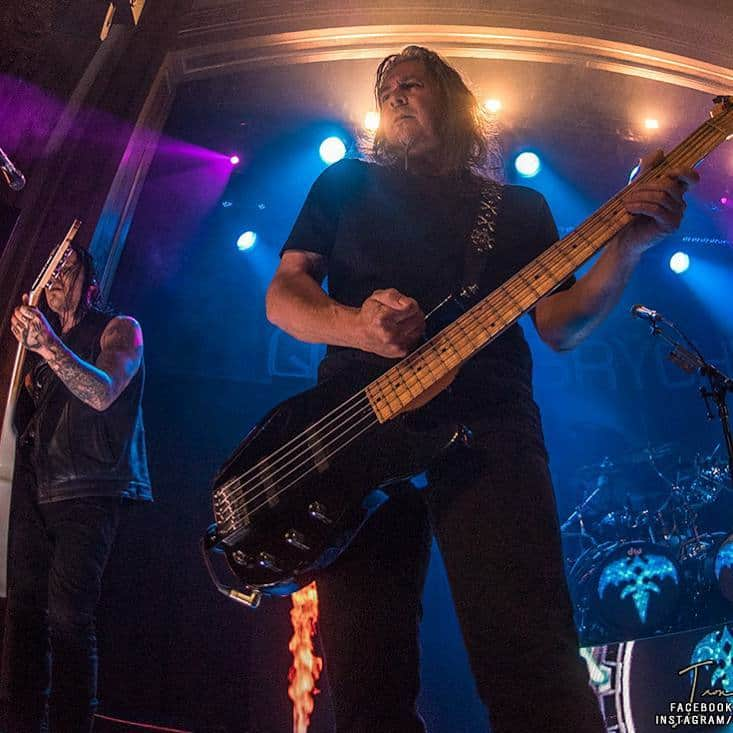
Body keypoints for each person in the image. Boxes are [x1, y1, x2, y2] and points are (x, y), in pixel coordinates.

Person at [265, 46, 698, 733]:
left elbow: (558, 324)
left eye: (411, 82)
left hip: (487, 430)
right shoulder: (344, 182)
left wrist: (626, 248)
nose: (394, 94)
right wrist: (357, 324)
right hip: (355, 438)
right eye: (385, 89)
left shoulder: (518, 207)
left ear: (457, 101)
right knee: (366, 675)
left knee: (530, 657)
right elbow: (284, 297)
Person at [2, 245, 152, 732]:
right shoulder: (40, 352)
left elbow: (103, 391)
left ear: (91, 281)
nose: (58, 276)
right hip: (34, 490)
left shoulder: (118, 328)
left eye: (69, 268)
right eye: (52, 270)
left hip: (87, 491)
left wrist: (48, 346)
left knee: (68, 619)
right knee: (22, 618)